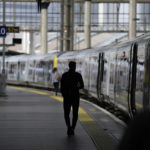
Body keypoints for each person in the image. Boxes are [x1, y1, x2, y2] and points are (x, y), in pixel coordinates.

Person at [60, 61, 84, 136]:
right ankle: (73, 128)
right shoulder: (78, 75)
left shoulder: (64, 75)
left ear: (69, 66)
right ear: (75, 66)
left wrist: (64, 95)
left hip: (67, 97)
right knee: (75, 113)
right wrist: (76, 87)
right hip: (75, 96)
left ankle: (68, 127)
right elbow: (82, 86)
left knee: (66, 113)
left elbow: (62, 87)